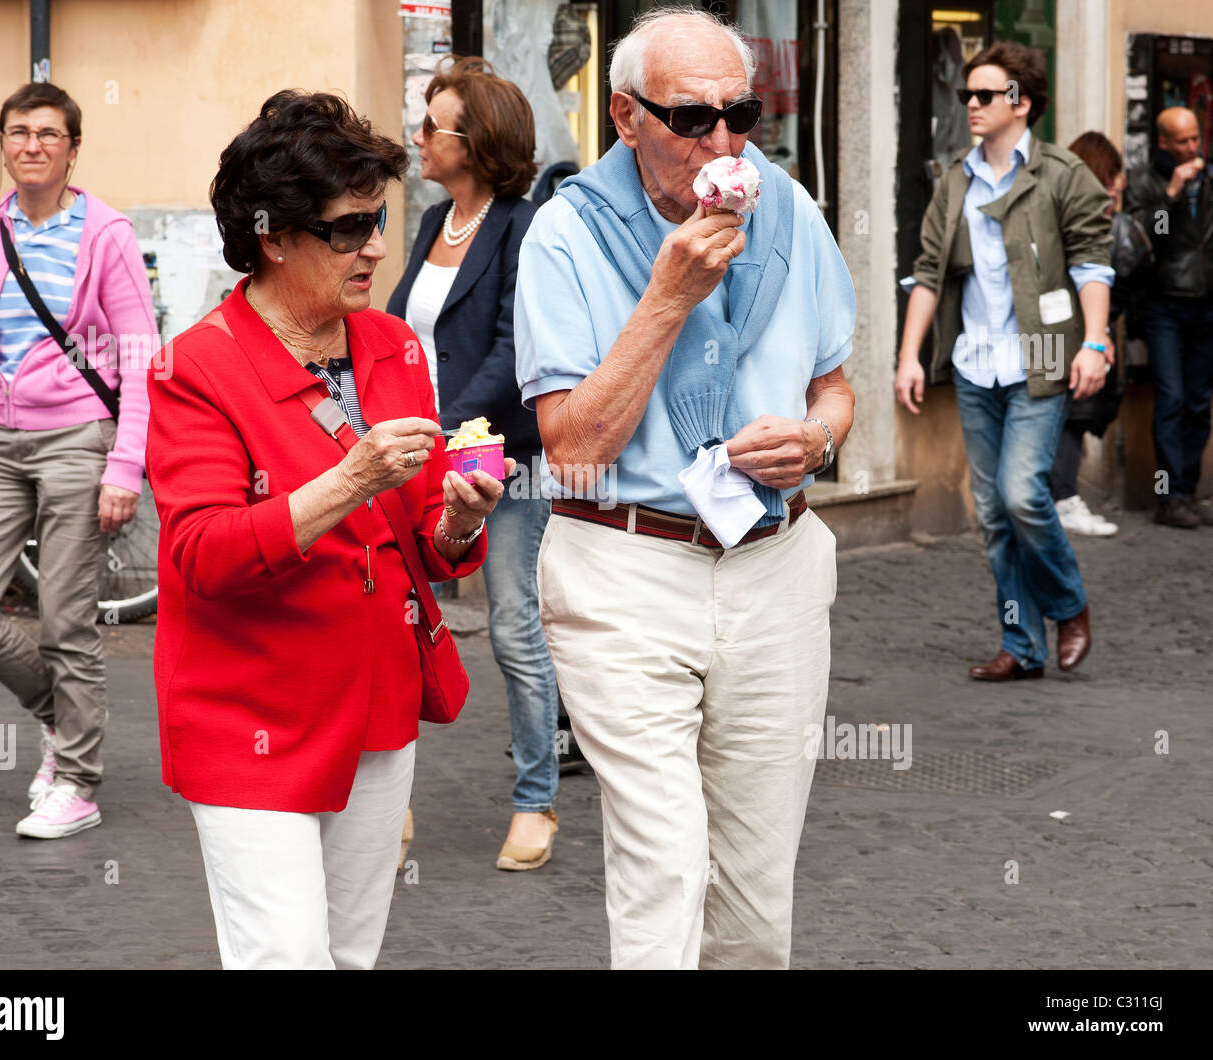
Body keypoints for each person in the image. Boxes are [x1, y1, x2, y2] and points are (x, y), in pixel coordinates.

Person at [516, 7, 856, 969]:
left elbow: (836, 386)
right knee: (665, 864)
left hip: (774, 563)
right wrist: (668, 298)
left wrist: (815, 442)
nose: (723, 141)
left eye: (740, 113)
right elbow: (572, 450)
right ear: (625, 117)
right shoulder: (563, 234)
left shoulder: (788, 206)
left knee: (756, 887)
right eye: (692, 120)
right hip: (626, 568)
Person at [147, 90, 508, 969]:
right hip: (249, 718)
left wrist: (459, 525)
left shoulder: (392, 346)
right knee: (287, 957)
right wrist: (350, 480)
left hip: (376, 708)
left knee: (348, 957)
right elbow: (202, 556)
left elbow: (428, 535)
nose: (377, 247)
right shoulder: (195, 367)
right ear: (274, 236)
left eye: (379, 220)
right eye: (349, 229)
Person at [0, 82, 153, 838]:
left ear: (73, 148)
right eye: (19, 132)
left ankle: (77, 780)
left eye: (49, 134)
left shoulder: (105, 234)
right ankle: (61, 712)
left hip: (77, 436)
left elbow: (142, 359)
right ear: (4, 142)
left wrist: (125, 466)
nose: (32, 145)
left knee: (66, 618)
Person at [387, 57, 562, 871]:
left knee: (514, 628)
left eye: (433, 126)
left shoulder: (524, 228)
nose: (417, 137)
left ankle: (537, 801)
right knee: (394, 621)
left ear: (477, 141)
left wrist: (438, 424)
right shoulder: (430, 223)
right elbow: (399, 334)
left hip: (500, 458)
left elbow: (512, 350)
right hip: (413, 451)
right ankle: (389, 803)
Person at [895, 41, 1113, 681]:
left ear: (1021, 102)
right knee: (992, 513)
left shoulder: (1063, 174)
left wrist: (1096, 343)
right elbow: (926, 273)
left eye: (984, 95)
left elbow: (1092, 265)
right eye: (967, 95)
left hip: (1040, 356)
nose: (971, 106)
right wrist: (910, 356)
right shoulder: (956, 180)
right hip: (973, 363)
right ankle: (1020, 644)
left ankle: (1070, 606)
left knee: (1022, 496)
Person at [1053, 132, 1153, 537]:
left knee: (1069, 413)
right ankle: (1060, 498)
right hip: (1068, 334)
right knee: (1070, 414)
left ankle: (1058, 497)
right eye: (1112, 178)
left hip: (1075, 332)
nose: (1118, 187)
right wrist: (1100, 330)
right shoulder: (1089, 220)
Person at [1124, 107, 1213, 528]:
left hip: (1206, 304)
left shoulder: (1209, 177)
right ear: (1163, 143)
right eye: (1183, 141)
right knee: (1171, 400)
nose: (1192, 148)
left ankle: (1187, 493)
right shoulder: (1146, 182)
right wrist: (1171, 195)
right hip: (1165, 306)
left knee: (1198, 403)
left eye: (1196, 138)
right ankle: (1166, 495)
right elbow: (1148, 238)